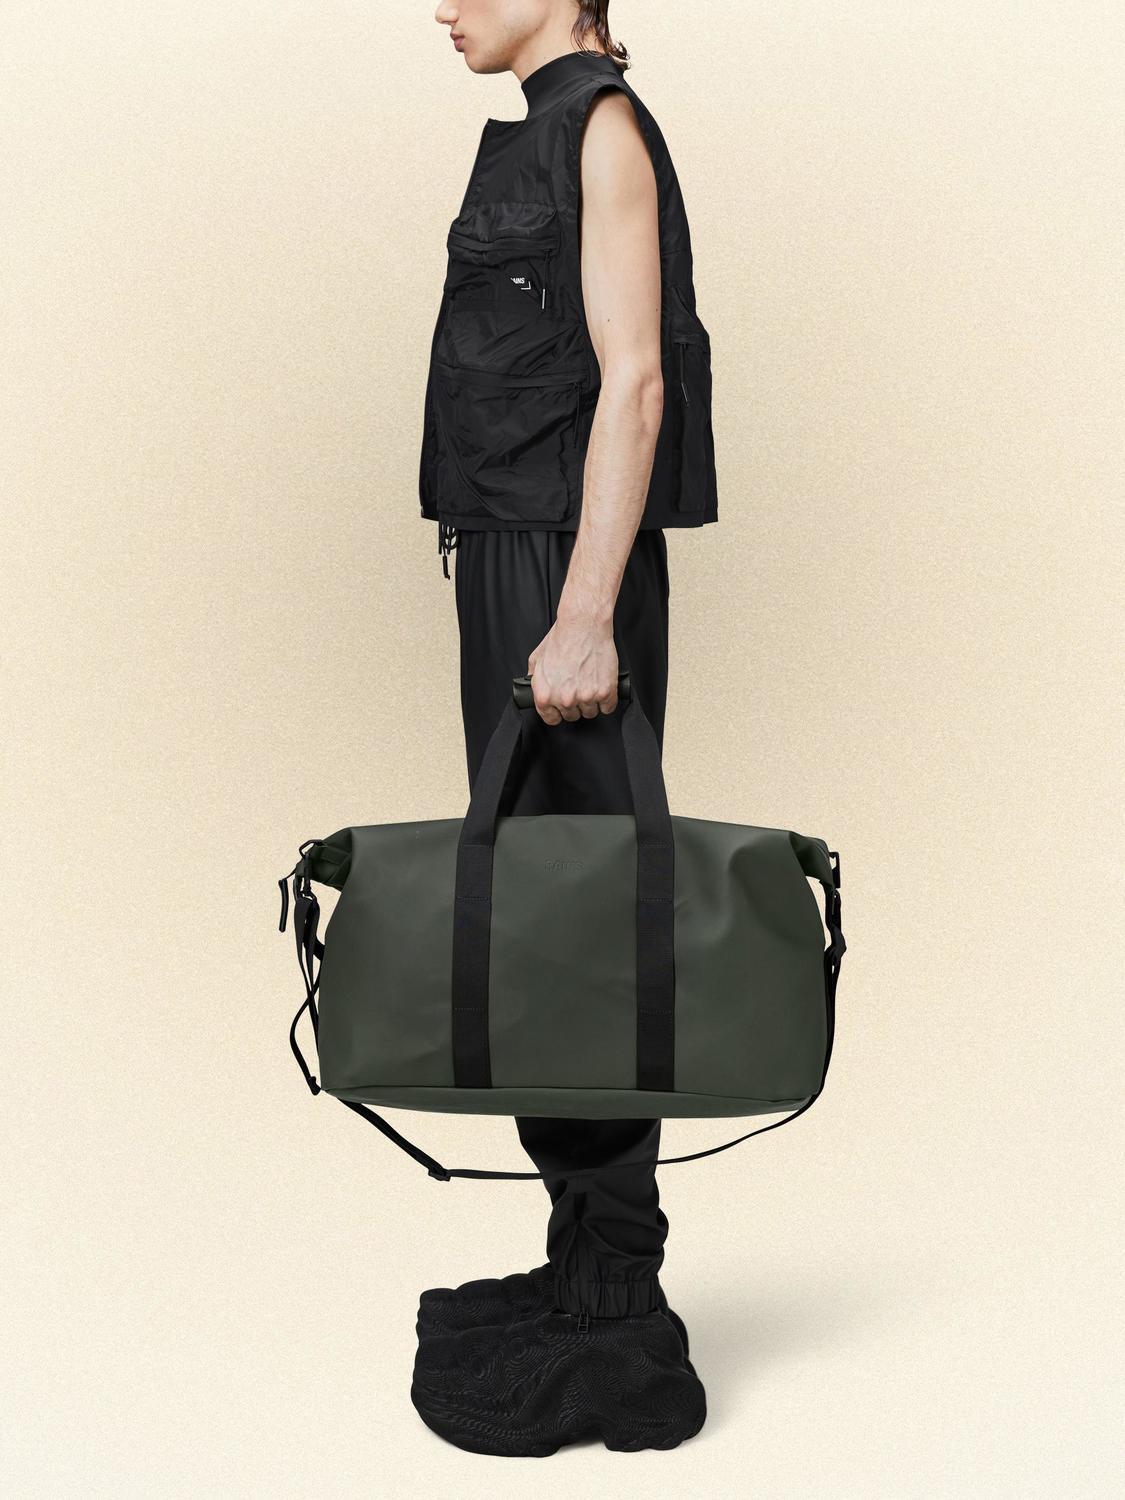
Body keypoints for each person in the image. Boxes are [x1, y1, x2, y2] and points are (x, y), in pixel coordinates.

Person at [410, 0, 719, 1456]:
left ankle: (616, 1310)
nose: (440, 5)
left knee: (583, 918)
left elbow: (634, 378)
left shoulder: (600, 128)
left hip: (560, 572)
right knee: (544, 912)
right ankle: (578, 1262)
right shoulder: (540, 131)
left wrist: (584, 611)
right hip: (516, 557)